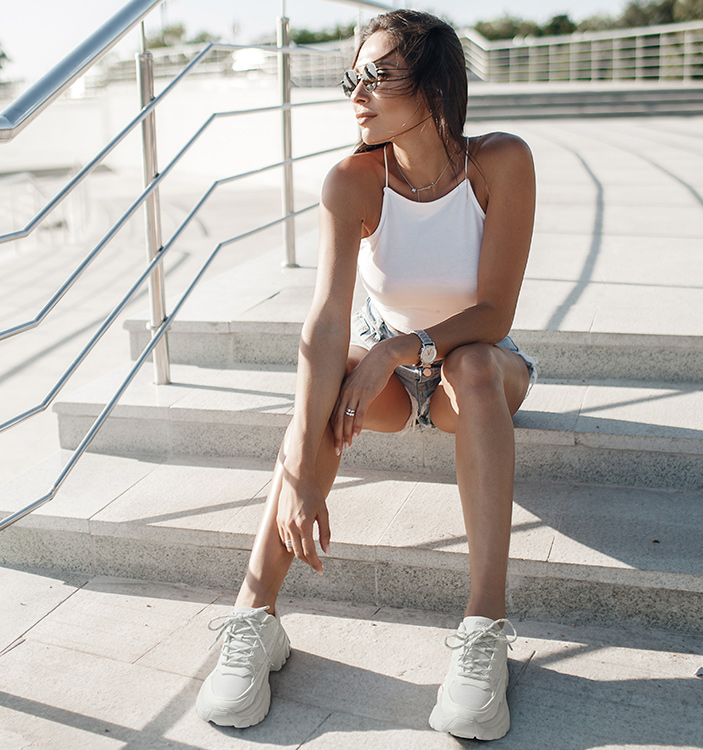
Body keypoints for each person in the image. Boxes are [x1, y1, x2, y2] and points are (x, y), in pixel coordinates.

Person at [195, 9, 536, 741]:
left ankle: (484, 632)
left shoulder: (500, 162)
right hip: (385, 370)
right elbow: (323, 325)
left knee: (473, 368)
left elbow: (494, 308)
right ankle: (253, 617)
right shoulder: (352, 179)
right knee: (330, 378)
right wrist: (300, 477)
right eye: (354, 76)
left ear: (437, 86)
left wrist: (400, 347)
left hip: (478, 365)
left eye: (378, 76)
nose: (357, 93)